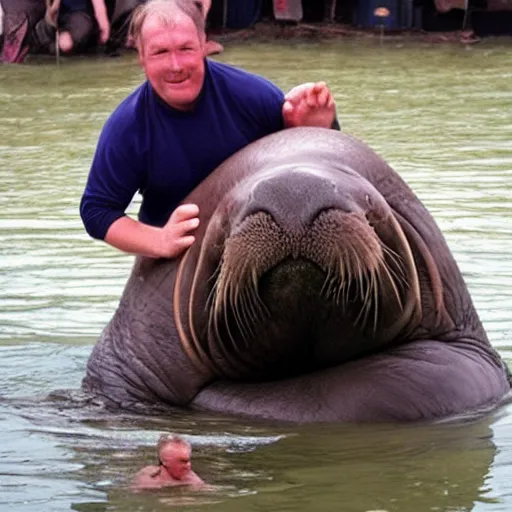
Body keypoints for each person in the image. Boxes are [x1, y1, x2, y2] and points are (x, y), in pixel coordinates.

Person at [80, 0, 339, 259]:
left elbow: (323, 170)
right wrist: (159, 240)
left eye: (186, 48)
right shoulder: (128, 127)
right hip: (179, 260)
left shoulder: (252, 96)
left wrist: (316, 128)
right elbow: (97, 211)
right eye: (160, 52)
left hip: (264, 241)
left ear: (204, 44)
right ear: (141, 56)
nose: (176, 65)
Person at [131, 434, 204, 491]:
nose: (188, 466)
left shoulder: (192, 479)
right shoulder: (148, 484)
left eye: (188, 461)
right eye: (182, 461)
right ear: (165, 462)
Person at [34, 0, 110, 54]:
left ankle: (64, 43)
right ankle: (53, 46)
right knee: (41, 27)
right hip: (54, 19)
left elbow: (99, 6)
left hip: (79, 16)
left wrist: (104, 26)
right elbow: (51, 11)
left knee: (80, 27)